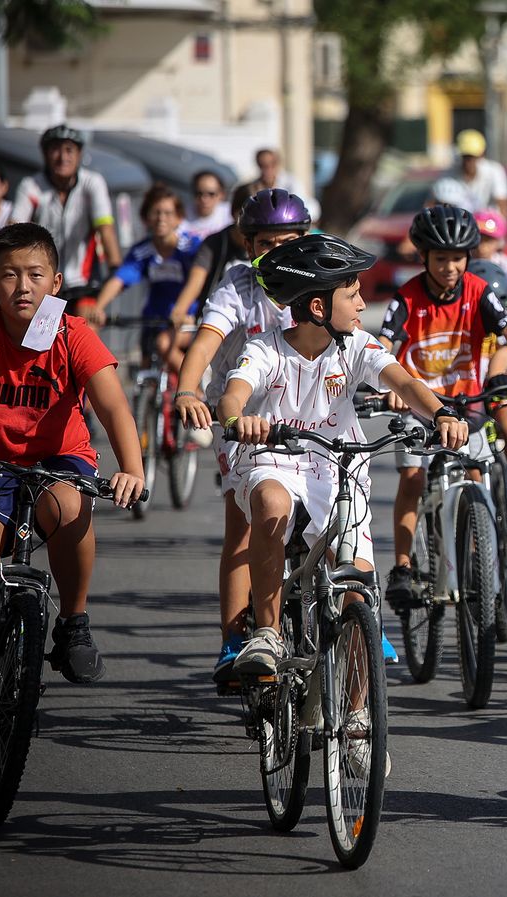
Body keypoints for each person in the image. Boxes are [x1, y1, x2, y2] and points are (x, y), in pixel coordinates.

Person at [221, 234, 470, 679]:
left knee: (358, 598)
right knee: (272, 503)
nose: (361, 304)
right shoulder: (265, 348)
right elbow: (233, 393)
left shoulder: (355, 344)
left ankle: (356, 725)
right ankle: (267, 632)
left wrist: (441, 413)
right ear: (318, 308)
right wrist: (240, 418)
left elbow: (405, 383)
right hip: (273, 458)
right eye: (352, 295)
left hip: (338, 466)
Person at [0, 222, 146, 683]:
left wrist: (132, 469)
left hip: (60, 459)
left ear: (56, 284)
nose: (22, 286)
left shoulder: (72, 334)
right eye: (9, 275)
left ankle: (73, 621)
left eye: (35, 275)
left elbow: (114, 407)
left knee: (68, 508)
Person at [173, 188, 314, 681]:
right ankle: (234, 639)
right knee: (245, 528)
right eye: (266, 242)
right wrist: (189, 390)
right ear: (248, 244)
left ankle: (351, 612)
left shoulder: (317, 276)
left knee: (339, 515)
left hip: (310, 418)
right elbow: (205, 341)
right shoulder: (237, 285)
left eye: (289, 241)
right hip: (246, 424)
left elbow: (355, 334)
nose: (277, 252)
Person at [377, 205, 507, 609]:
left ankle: (480, 552)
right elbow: (385, 346)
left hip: (467, 404)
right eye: (441, 258)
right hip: (416, 404)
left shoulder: (478, 290)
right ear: (424, 257)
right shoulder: (407, 296)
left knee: (476, 475)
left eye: (458, 258)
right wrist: (385, 382)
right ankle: (402, 567)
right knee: (412, 477)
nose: (450, 267)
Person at [89, 185, 203, 370]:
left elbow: (198, 280)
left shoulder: (192, 248)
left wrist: (185, 312)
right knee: (145, 370)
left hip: (188, 320)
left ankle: (196, 391)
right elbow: (119, 280)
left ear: (178, 218)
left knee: (164, 345)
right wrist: (99, 307)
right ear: (146, 218)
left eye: (167, 213)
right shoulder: (142, 251)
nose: (161, 219)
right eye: (155, 213)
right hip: (153, 319)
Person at [11, 124, 122, 304]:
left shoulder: (92, 183)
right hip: (43, 282)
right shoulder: (31, 186)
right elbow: (14, 231)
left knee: (86, 327)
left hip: (83, 281)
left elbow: (105, 229)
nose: (63, 157)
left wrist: (115, 269)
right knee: (42, 332)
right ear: (45, 154)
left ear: (79, 154)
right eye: (55, 150)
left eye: (69, 150)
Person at [170, 184, 254, 330]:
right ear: (236, 213)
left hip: (257, 321)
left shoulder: (269, 243)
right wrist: (179, 311)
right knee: (166, 343)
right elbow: (196, 281)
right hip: (219, 318)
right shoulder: (215, 243)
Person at [437, 129, 507, 218]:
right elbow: (439, 203)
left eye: (473, 157)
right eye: (466, 156)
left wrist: (502, 228)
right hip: (459, 227)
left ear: (481, 155)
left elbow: (503, 204)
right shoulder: (449, 175)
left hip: (487, 226)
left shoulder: (494, 171)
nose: (469, 161)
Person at [184, 170, 233, 238]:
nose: (204, 199)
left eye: (211, 194)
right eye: (199, 193)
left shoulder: (230, 215)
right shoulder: (181, 215)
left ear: (222, 195)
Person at [473, 208, 507, 275]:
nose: (483, 246)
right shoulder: (462, 262)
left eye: (489, 240)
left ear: (499, 242)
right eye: (479, 238)